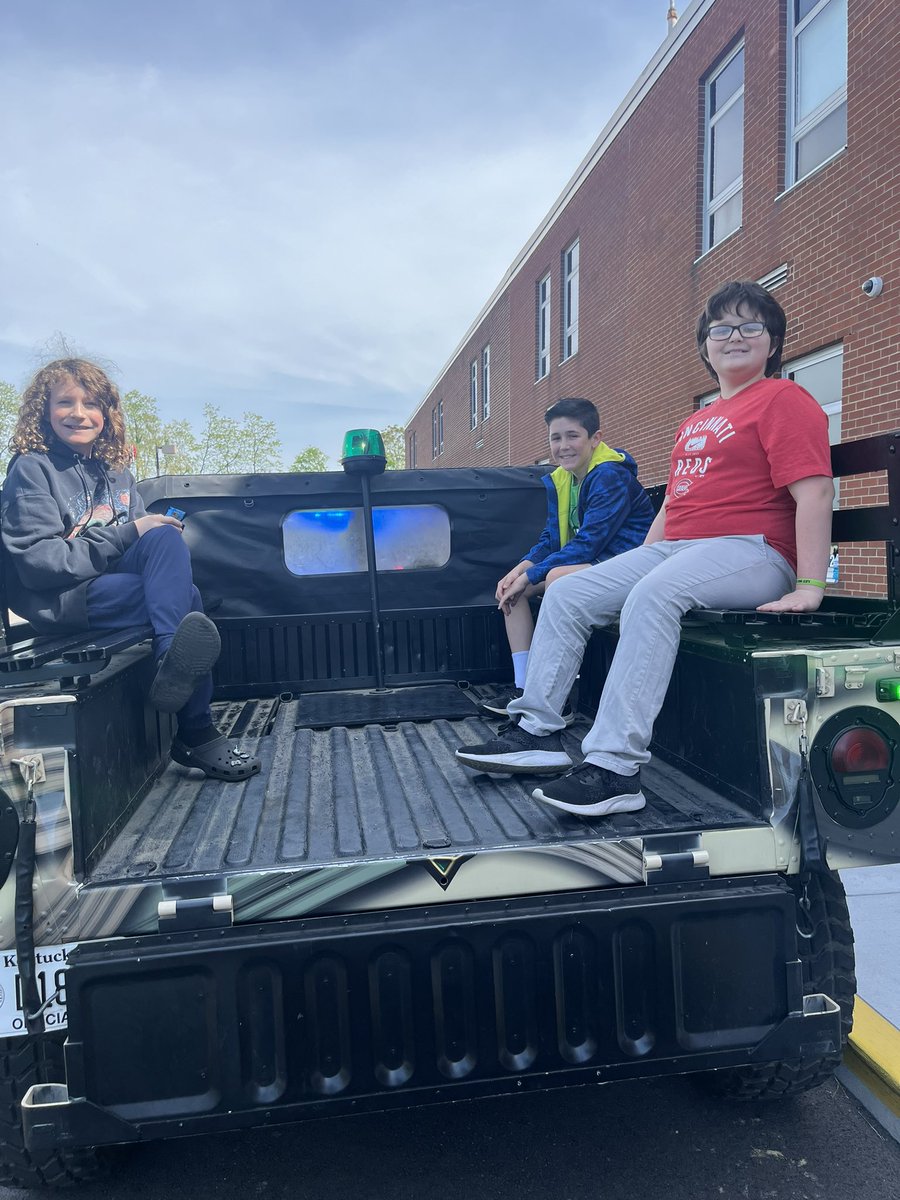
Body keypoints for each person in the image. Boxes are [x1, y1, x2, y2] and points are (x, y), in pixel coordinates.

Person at [456, 281, 833, 817]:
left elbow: (815, 490)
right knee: (570, 593)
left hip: (754, 551)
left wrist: (810, 587)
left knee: (654, 594)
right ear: (705, 344)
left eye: (752, 326)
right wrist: (634, 563)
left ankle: (614, 769)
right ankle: (536, 732)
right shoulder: (696, 422)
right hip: (680, 549)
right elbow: (671, 507)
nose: (735, 337)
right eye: (721, 328)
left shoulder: (783, 400)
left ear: (773, 342)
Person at [0, 358, 260, 782]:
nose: (79, 413)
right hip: (63, 599)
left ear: (107, 413)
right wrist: (127, 534)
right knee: (186, 601)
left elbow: (141, 544)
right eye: (65, 402)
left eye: (92, 403)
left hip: (107, 585)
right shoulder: (33, 469)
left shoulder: (116, 471)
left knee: (162, 538)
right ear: (43, 412)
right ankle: (195, 730)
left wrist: (144, 530)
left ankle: (169, 663)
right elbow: (38, 564)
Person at [483, 397, 653, 717]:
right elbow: (552, 539)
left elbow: (588, 543)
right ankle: (524, 687)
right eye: (555, 438)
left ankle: (556, 700)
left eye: (573, 436)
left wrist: (532, 576)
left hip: (627, 566)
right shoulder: (563, 478)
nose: (563, 446)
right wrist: (519, 570)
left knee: (555, 578)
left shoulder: (609, 476)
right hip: (592, 563)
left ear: (595, 438)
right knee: (511, 590)